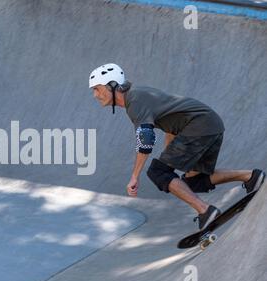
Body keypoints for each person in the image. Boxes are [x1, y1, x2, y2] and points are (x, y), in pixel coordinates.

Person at [89, 63, 265, 230]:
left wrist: (135, 176)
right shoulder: (138, 95)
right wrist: (169, 159)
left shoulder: (135, 101)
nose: (95, 95)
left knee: (157, 172)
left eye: (97, 88)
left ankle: (206, 211)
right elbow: (171, 126)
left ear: (112, 85)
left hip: (199, 126)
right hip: (210, 124)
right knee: (193, 181)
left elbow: (146, 140)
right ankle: (251, 176)